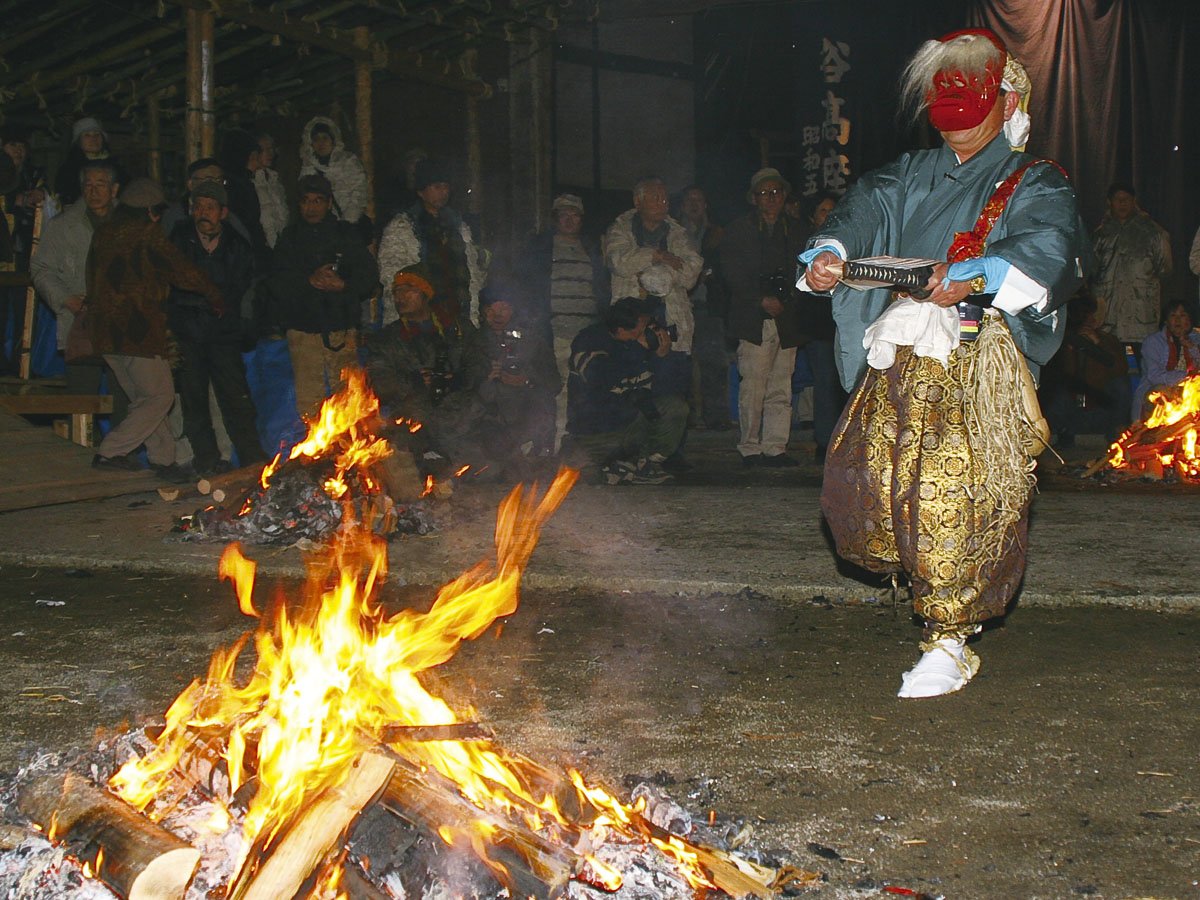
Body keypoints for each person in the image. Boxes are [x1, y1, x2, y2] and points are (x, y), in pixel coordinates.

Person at [801, 28, 1089, 698]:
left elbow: (1049, 246)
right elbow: (862, 208)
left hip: (973, 358)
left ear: (1009, 97)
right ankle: (931, 602)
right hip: (899, 356)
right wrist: (827, 255)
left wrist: (978, 275)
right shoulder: (907, 173)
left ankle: (949, 637)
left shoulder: (1035, 180)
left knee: (953, 489)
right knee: (888, 485)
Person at [86, 178, 223, 478]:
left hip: (105, 332)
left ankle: (163, 459)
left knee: (145, 398)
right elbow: (181, 271)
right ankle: (111, 451)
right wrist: (214, 293)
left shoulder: (103, 233)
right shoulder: (147, 235)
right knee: (161, 396)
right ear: (149, 211)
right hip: (138, 331)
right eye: (157, 210)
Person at [168, 180, 268, 476]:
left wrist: (243, 326)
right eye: (198, 207)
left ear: (223, 212)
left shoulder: (237, 246)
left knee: (235, 398)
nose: (203, 213)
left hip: (223, 334)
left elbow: (244, 292)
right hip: (188, 333)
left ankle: (252, 459)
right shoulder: (179, 240)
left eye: (210, 208)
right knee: (194, 401)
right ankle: (206, 460)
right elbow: (171, 284)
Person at [267, 173, 378, 418]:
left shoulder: (346, 235)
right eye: (306, 201)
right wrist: (308, 281)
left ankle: (351, 451)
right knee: (310, 404)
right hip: (303, 331)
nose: (311, 207)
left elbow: (369, 275)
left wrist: (344, 285)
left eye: (318, 201)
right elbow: (276, 282)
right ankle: (319, 454)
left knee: (350, 400)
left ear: (329, 203)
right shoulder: (290, 238)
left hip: (341, 328)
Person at [364, 265, 490, 479]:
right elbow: (378, 378)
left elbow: (480, 362)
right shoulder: (387, 339)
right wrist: (414, 381)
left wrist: (457, 380)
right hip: (414, 414)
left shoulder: (457, 328)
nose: (400, 297)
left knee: (486, 468)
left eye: (408, 289)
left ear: (425, 293)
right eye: (396, 291)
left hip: (460, 411)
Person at [724, 168, 808, 466]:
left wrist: (788, 300)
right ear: (754, 198)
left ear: (784, 196)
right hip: (753, 318)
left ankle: (776, 447)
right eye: (763, 193)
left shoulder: (798, 230)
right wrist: (760, 299)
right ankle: (749, 446)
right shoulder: (740, 229)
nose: (770, 199)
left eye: (775, 193)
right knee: (753, 386)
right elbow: (731, 273)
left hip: (787, 319)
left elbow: (807, 272)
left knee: (781, 386)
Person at [513, 193, 608, 450]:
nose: (569, 219)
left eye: (574, 214)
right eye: (563, 214)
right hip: (550, 331)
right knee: (547, 388)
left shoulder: (592, 248)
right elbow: (525, 285)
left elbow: (602, 288)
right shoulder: (539, 248)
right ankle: (538, 444)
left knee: (577, 391)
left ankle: (565, 444)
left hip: (585, 333)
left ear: (581, 219)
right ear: (555, 218)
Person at [31, 159, 128, 410]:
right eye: (88, 185)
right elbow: (41, 269)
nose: (93, 191)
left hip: (123, 326)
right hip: (79, 325)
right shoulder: (63, 227)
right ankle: (78, 447)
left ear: (114, 189)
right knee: (81, 401)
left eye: (101, 184)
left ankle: (120, 449)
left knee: (125, 398)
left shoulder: (131, 224)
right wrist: (65, 298)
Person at [564, 296, 689, 485]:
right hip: (595, 433)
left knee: (675, 407)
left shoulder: (642, 346)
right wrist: (636, 350)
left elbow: (669, 391)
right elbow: (599, 380)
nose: (647, 331)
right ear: (621, 330)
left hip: (629, 428)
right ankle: (613, 464)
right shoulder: (590, 341)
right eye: (642, 326)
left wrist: (662, 357)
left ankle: (645, 464)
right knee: (587, 479)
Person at [604, 177, 702, 411]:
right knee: (634, 392)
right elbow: (620, 262)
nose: (663, 203)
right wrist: (656, 255)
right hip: (632, 325)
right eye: (656, 198)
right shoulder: (619, 230)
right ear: (638, 202)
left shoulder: (677, 233)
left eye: (665, 198)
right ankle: (637, 444)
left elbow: (691, 272)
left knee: (672, 391)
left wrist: (659, 275)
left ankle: (669, 446)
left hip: (670, 320)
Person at [377, 158, 484, 327]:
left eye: (446, 186)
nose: (443, 192)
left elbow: (472, 274)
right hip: (420, 318)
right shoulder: (402, 227)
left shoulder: (459, 227)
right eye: (437, 187)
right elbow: (393, 274)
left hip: (457, 314)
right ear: (421, 191)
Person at [476, 280, 561, 460]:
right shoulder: (474, 343)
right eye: (491, 310)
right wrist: (488, 378)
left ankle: (537, 456)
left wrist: (526, 380)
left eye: (503, 309)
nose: (497, 315)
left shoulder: (533, 342)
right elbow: (464, 382)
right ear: (483, 313)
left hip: (525, 409)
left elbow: (553, 383)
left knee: (544, 405)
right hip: (490, 415)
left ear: (513, 311)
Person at [795, 191, 847, 461]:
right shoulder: (809, 246)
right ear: (814, 217)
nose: (829, 215)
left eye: (832, 210)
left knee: (846, 382)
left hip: (845, 327)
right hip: (819, 328)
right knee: (825, 382)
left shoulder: (849, 243)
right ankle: (825, 442)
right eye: (823, 211)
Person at [1092, 183, 1172, 356]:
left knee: (1149, 370)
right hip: (1109, 320)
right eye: (1117, 200)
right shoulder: (1100, 234)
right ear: (1109, 202)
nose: (1122, 203)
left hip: (1142, 317)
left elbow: (1165, 268)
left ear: (1134, 201)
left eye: (1126, 199)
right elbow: (1091, 271)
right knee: (1111, 375)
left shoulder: (1153, 233)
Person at [676, 185, 732, 431]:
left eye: (699, 199)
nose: (694, 204)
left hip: (708, 305)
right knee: (681, 363)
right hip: (679, 305)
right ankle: (684, 417)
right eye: (690, 200)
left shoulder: (716, 233)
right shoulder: (673, 232)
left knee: (714, 362)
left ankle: (716, 416)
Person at [1043, 289, 1130, 447]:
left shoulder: (1109, 340)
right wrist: (1071, 348)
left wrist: (1097, 344)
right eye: (1084, 315)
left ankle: (1117, 435)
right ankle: (1062, 435)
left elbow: (1120, 370)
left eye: (1092, 315)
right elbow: (1063, 375)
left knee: (1121, 385)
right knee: (1056, 390)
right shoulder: (1062, 341)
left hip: (1100, 409)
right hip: (1072, 411)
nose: (1089, 320)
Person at [1131, 300, 1200, 420]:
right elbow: (1154, 376)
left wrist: (1191, 347)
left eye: (1182, 315)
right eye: (1173, 315)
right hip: (1159, 392)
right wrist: (1187, 377)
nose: (1178, 320)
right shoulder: (1153, 342)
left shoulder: (1197, 340)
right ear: (1166, 321)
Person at [298, 116, 368, 226]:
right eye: (316, 139)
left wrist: (348, 222)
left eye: (325, 138)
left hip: (349, 224)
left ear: (333, 140)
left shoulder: (349, 161)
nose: (321, 143)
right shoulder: (308, 166)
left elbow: (358, 192)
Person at [53, 117, 124, 207]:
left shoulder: (116, 167)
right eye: (87, 135)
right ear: (78, 141)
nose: (93, 139)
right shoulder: (69, 169)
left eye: (97, 135)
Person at [253, 132, 289, 248]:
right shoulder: (251, 182)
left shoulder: (275, 180)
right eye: (265, 150)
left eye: (272, 149)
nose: (270, 154)